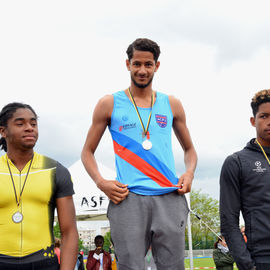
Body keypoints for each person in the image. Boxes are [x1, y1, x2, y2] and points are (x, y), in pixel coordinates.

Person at [81, 38, 197, 270]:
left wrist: (190, 173)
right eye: (136, 64)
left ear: (157, 66)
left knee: (173, 267)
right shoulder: (109, 103)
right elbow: (87, 152)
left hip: (169, 196)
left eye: (148, 64)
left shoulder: (171, 104)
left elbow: (190, 150)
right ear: (127, 64)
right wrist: (101, 182)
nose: (142, 71)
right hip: (128, 198)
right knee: (131, 266)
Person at [0, 102, 78, 270]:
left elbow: (69, 232)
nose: (29, 128)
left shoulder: (55, 170)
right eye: (20, 123)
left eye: (33, 124)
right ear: (3, 131)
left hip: (43, 262)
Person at [220, 89, 270, 270]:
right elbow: (228, 222)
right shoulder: (237, 162)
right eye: (264, 116)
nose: (269, 121)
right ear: (253, 121)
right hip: (262, 258)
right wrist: (248, 265)